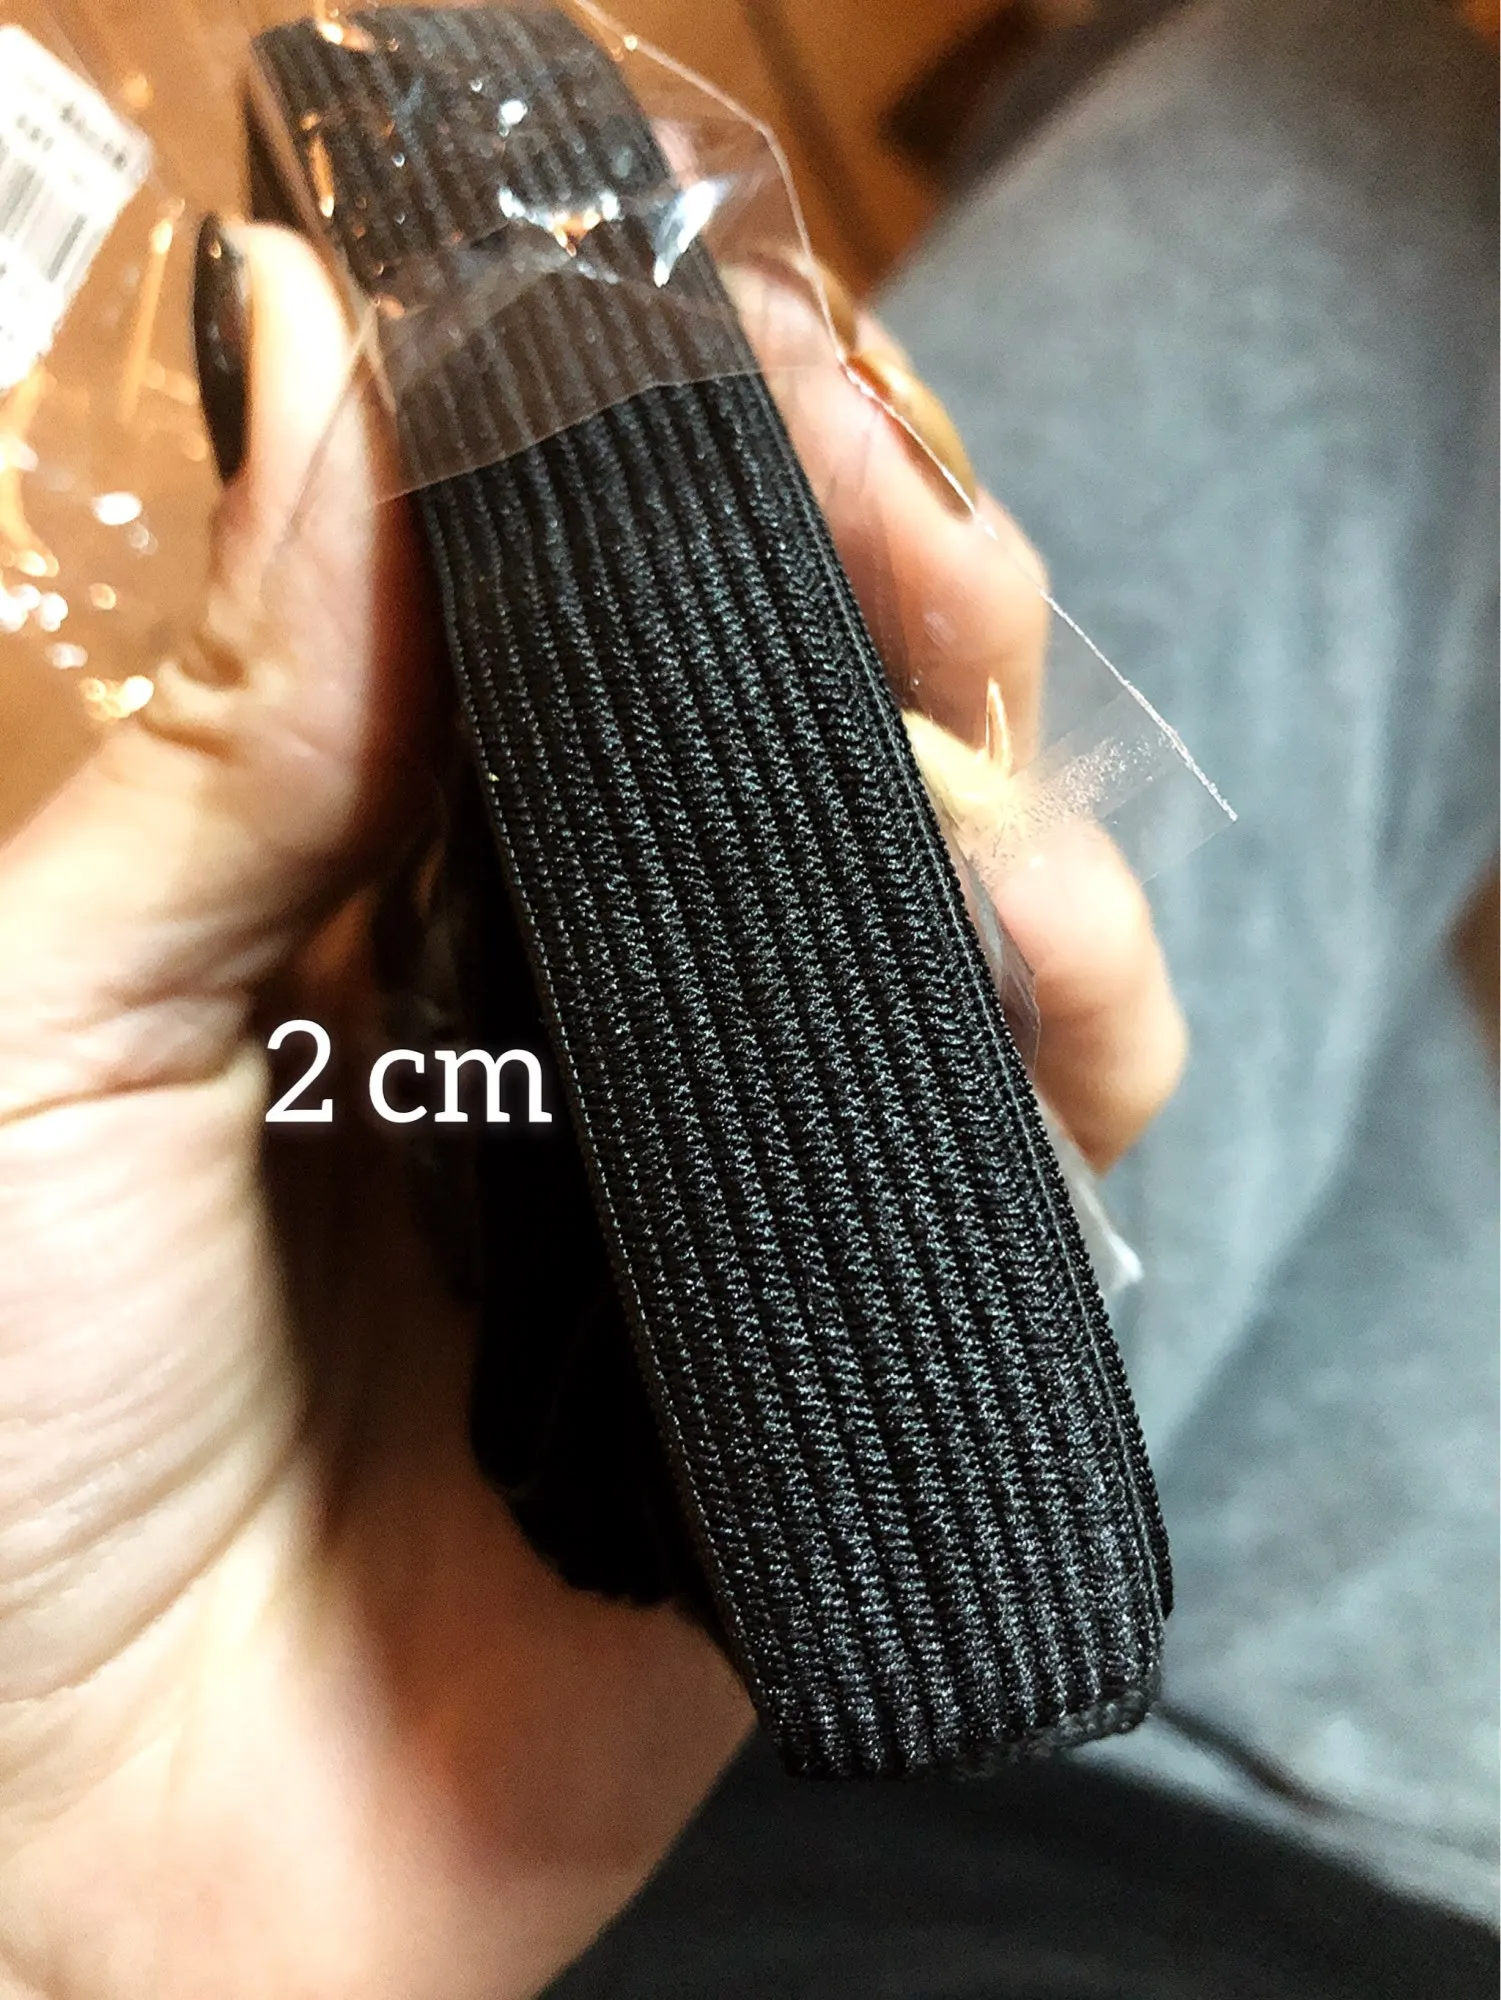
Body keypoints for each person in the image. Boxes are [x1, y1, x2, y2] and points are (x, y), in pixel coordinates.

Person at [0, 4, 1491, 2000]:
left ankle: (1058, 70)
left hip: (883, 1750)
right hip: (1324, 1847)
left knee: (1341, 134)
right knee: (1382, 132)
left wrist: (60, 1906)